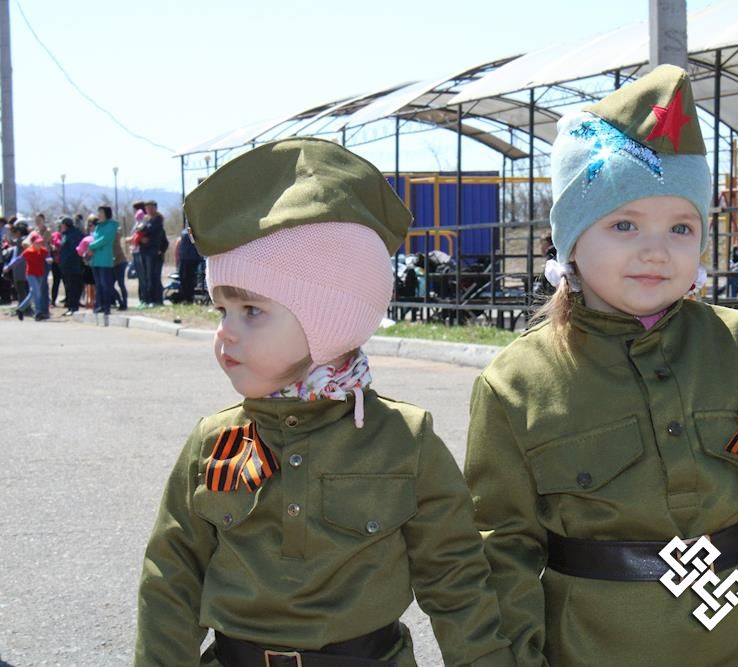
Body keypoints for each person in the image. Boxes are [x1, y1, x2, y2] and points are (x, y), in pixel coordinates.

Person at [464, 66, 738, 667]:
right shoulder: (516, 383)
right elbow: (501, 544)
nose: (656, 250)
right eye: (623, 224)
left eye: (681, 227)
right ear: (571, 241)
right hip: (591, 649)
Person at [134, 137, 515, 667]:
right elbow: (170, 583)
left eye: (251, 310)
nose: (225, 332)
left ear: (330, 319)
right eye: (222, 310)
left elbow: (457, 581)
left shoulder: (404, 440)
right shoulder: (215, 440)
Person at [3, 231, 51, 320]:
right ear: (32, 243)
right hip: (31, 274)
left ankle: (20, 309)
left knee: (33, 293)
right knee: (37, 292)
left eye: (40, 242)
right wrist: (8, 266)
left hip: (40, 274)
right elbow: (18, 259)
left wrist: (49, 259)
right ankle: (38, 313)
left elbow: (47, 256)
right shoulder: (29, 251)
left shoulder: (43, 250)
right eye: (37, 243)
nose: (39, 244)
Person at [86, 206, 119, 326]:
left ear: (106, 213)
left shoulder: (111, 225)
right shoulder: (98, 226)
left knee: (105, 284)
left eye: (101, 212)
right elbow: (95, 237)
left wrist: (91, 246)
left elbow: (105, 239)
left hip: (105, 259)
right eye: (98, 212)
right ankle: (98, 305)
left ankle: (106, 306)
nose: (99, 214)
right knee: (98, 284)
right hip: (96, 260)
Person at [138, 200, 167, 307]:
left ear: (155, 208)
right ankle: (147, 299)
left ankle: (157, 300)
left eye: (151, 207)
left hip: (153, 252)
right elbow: (138, 231)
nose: (149, 210)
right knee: (147, 277)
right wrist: (140, 238)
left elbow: (153, 232)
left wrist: (160, 250)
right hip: (144, 252)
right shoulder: (146, 220)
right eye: (147, 208)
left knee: (154, 277)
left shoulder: (158, 221)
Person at [58, 217, 84, 315]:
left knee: (74, 287)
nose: (60, 226)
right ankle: (70, 307)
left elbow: (74, 250)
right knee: (69, 287)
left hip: (73, 266)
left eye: (62, 224)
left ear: (66, 225)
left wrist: (66, 262)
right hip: (66, 266)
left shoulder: (74, 234)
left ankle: (73, 307)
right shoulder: (65, 235)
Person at [175, 224, 203, 303]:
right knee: (183, 278)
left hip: (191, 257)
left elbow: (193, 241)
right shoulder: (185, 230)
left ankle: (189, 298)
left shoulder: (193, 229)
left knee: (189, 278)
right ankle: (184, 297)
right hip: (183, 257)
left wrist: (190, 231)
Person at [112, 214, 130, 311]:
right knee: (109, 284)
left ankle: (124, 303)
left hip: (120, 262)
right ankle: (119, 300)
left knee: (121, 283)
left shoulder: (116, 238)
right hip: (112, 264)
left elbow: (117, 251)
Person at [130, 201, 147, 303]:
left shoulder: (143, 219)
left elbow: (141, 230)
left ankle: (145, 298)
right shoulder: (137, 221)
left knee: (143, 276)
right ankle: (141, 298)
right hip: (135, 251)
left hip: (140, 251)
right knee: (140, 277)